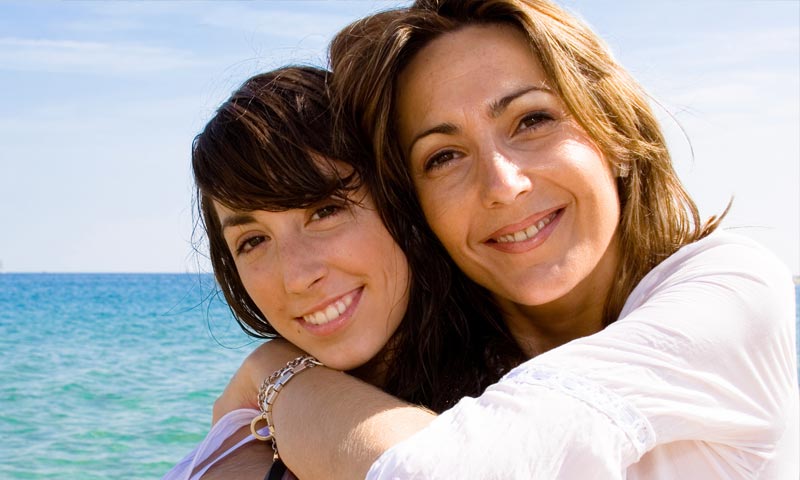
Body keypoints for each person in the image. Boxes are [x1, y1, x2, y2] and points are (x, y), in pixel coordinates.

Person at [212, 0, 799, 478]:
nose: (502, 185)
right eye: (443, 156)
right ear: (415, 206)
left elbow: (440, 472)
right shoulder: (438, 380)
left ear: (615, 130)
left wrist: (273, 375)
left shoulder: (730, 289)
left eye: (533, 120)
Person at [163, 65, 523, 479]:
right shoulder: (251, 436)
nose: (296, 276)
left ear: (397, 198)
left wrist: (273, 373)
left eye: (325, 211)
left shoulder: (526, 383)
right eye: (253, 241)